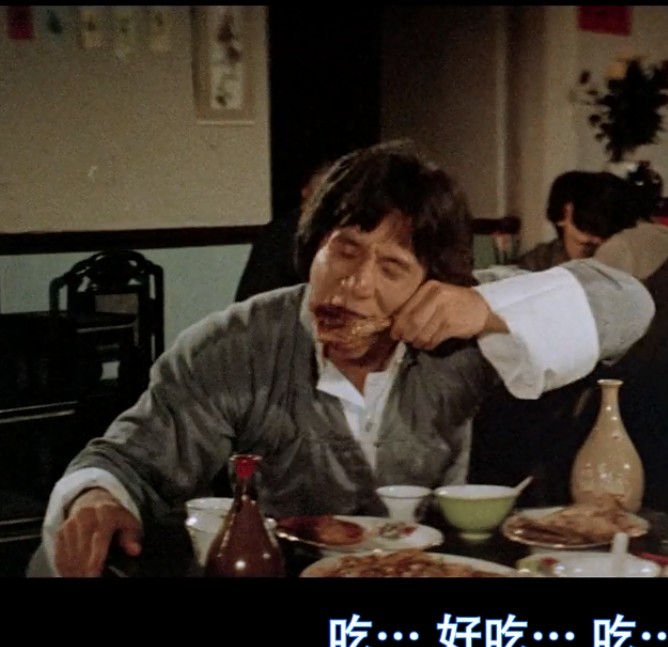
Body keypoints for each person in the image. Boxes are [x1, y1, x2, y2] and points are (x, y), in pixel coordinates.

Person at [36, 141, 654, 577]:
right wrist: (96, 499)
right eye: (345, 251)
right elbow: (125, 460)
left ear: (431, 284)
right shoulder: (236, 344)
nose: (354, 286)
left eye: (392, 268)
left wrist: (487, 311)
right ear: (313, 247)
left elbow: (627, 306)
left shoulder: (466, 317)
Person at [234, 161, 333, 301]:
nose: (326, 198)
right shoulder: (279, 235)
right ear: (305, 191)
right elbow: (256, 295)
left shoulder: (343, 232)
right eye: (321, 190)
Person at [516, 170, 639, 272]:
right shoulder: (536, 264)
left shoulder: (622, 257)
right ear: (565, 212)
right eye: (591, 224)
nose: (598, 239)